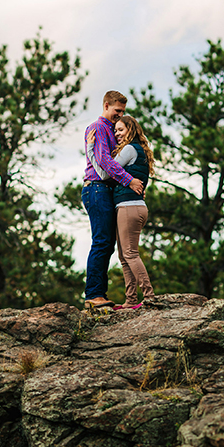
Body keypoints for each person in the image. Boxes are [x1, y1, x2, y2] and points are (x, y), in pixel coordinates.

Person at [82, 91, 144, 309]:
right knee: (102, 242)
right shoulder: (98, 128)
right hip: (96, 189)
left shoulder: (112, 130)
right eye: (117, 111)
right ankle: (93, 295)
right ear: (106, 105)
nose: (120, 115)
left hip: (105, 190)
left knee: (107, 244)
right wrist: (129, 181)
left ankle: (99, 293)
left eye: (123, 112)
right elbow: (105, 163)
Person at [111, 115, 155, 309]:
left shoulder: (129, 149)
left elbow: (109, 170)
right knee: (124, 256)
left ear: (131, 129)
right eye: (115, 131)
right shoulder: (140, 151)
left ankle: (150, 296)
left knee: (130, 254)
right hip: (132, 207)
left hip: (129, 207)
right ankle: (130, 300)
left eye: (120, 130)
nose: (117, 134)